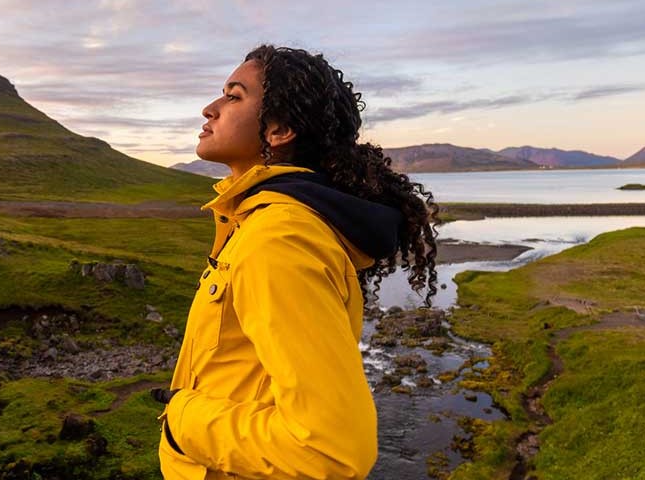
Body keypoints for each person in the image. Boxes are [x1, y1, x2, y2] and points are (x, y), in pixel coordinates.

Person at [153, 44, 440, 479]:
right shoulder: (258, 222)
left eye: (233, 96)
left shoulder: (279, 239)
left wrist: (183, 421)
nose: (209, 109)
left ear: (279, 129)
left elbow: (333, 451)